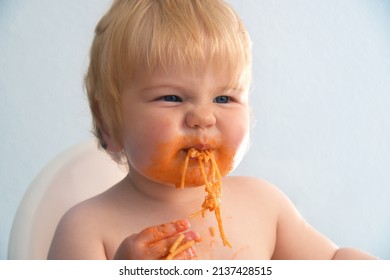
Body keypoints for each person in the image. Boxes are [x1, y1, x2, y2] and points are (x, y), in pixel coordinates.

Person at [48, 0, 376, 260]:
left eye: (224, 97)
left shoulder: (265, 205)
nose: (204, 117)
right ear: (107, 121)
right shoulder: (86, 229)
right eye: (171, 97)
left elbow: (331, 262)